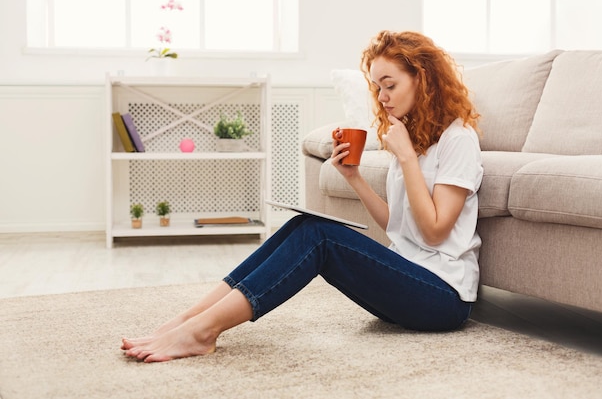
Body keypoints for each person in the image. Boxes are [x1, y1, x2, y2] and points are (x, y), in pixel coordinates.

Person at [122, 30, 483, 363]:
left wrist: (405, 158)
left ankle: (201, 332)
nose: (383, 98)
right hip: (408, 278)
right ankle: (191, 317)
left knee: (320, 237)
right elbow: (400, 229)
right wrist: (354, 178)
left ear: (423, 78)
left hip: (443, 298)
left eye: (390, 85)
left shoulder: (458, 140)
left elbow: (434, 232)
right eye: (377, 88)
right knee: (306, 223)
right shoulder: (414, 139)